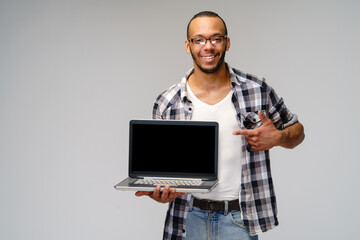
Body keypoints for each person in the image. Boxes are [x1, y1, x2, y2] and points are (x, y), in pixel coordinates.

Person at [135, 11, 305, 240]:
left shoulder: (257, 89)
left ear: (227, 43)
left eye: (216, 38)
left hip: (239, 221)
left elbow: (298, 132)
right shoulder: (167, 102)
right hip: (187, 218)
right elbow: (159, 170)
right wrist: (160, 192)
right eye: (199, 39)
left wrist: (279, 137)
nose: (208, 46)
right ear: (188, 45)